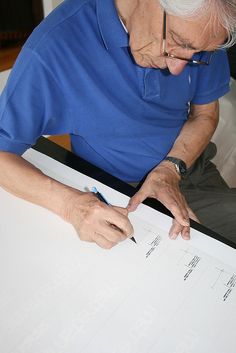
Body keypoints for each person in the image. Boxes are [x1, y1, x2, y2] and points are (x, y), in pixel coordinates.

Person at [0, 0, 236, 248]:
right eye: (177, 42)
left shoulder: (205, 24)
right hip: (123, 195)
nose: (177, 68)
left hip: (189, 164)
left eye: (196, 55)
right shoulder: (56, 45)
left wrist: (170, 169)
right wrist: (71, 206)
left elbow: (205, 114)